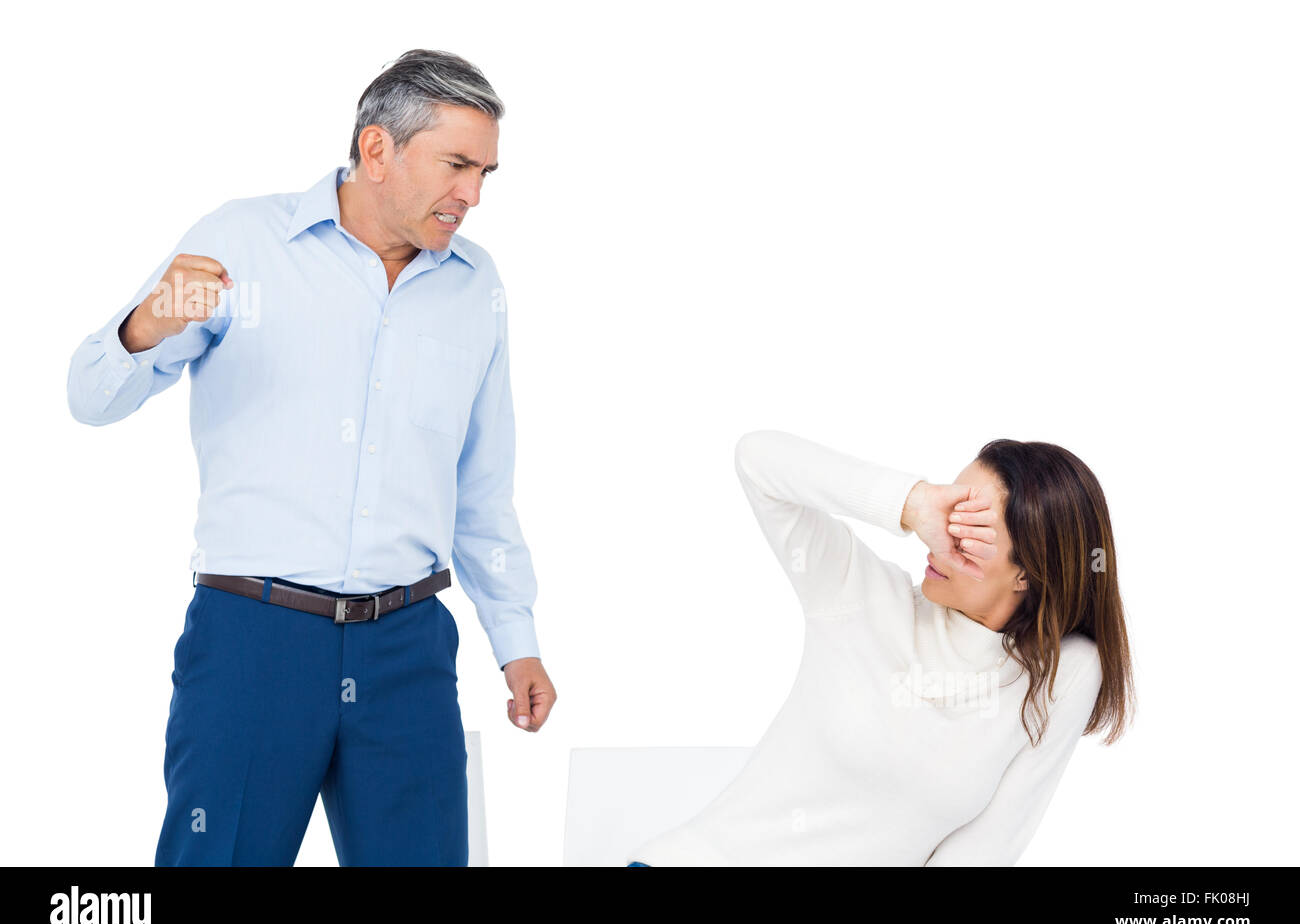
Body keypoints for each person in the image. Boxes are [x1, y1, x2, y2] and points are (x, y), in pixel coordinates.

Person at [67, 49, 556, 866]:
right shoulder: (242, 243)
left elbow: (481, 484)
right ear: (377, 149)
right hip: (253, 641)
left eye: (485, 173)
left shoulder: (476, 286)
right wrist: (146, 326)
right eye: (457, 165)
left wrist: (517, 637)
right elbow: (89, 398)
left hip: (408, 649)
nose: (473, 195)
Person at [626, 429, 1134, 866]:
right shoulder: (858, 596)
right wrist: (912, 502)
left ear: (1028, 571)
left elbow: (983, 852)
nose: (938, 541)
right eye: (946, 511)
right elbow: (757, 459)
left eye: (967, 532)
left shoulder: (1064, 673)